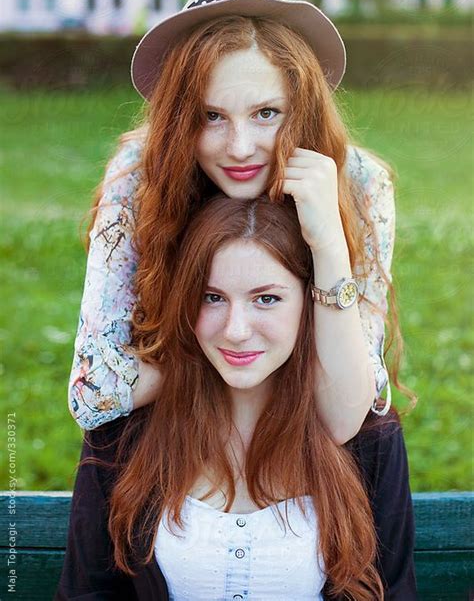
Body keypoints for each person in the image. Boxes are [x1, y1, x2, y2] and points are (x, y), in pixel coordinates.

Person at [68, 0, 416, 441]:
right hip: (181, 439)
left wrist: (330, 247)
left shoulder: (358, 182)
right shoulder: (139, 177)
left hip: (298, 444)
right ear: (178, 119)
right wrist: (235, 353)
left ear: (303, 108)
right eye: (211, 116)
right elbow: (95, 390)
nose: (239, 146)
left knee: (380, 437)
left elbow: (346, 412)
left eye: (266, 113)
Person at [56, 195, 417, 601]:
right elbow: (87, 592)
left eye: (267, 299)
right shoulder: (125, 431)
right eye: (212, 297)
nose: (236, 330)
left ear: (308, 303)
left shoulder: (368, 438)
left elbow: (393, 590)